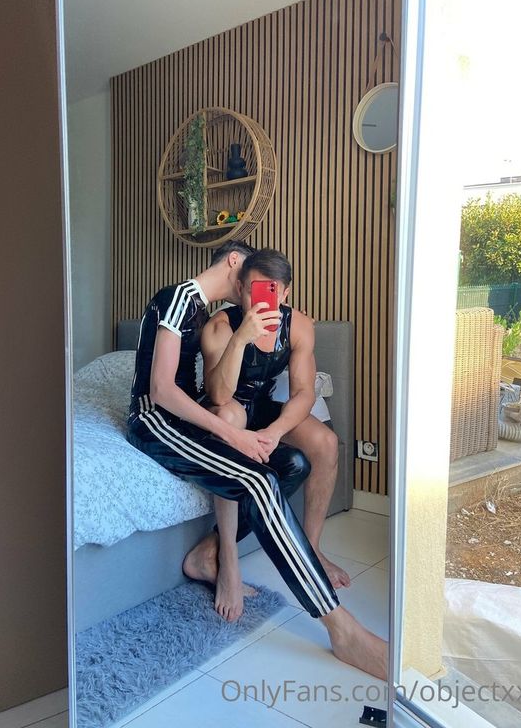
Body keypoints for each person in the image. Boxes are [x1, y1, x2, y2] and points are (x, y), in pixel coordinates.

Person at [127, 241, 387, 680]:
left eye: (267, 287)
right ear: (235, 265)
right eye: (249, 283)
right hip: (156, 420)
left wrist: (259, 431)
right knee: (259, 480)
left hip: (190, 417)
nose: (252, 294)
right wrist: (233, 433)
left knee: (293, 464)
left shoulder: (201, 307)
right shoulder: (179, 298)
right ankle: (340, 628)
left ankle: (212, 554)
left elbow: (289, 392)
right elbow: (162, 391)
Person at [184, 248, 351, 613]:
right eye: (253, 291)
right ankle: (227, 558)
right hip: (224, 408)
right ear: (240, 289)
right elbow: (219, 394)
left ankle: (311, 549)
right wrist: (241, 339)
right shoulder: (220, 327)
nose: (260, 301)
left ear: (285, 293)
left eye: (271, 292)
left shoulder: (299, 326)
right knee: (231, 418)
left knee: (325, 442)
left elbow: (304, 393)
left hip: (261, 407)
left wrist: (275, 431)